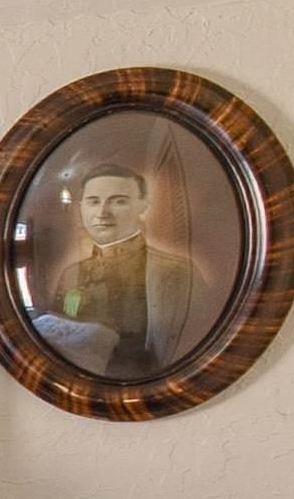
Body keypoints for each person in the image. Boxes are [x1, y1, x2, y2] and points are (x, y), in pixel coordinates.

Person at [38, 161, 205, 379]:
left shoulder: (178, 272)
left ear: (143, 207)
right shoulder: (70, 273)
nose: (102, 213)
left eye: (118, 201)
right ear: (81, 208)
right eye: (93, 201)